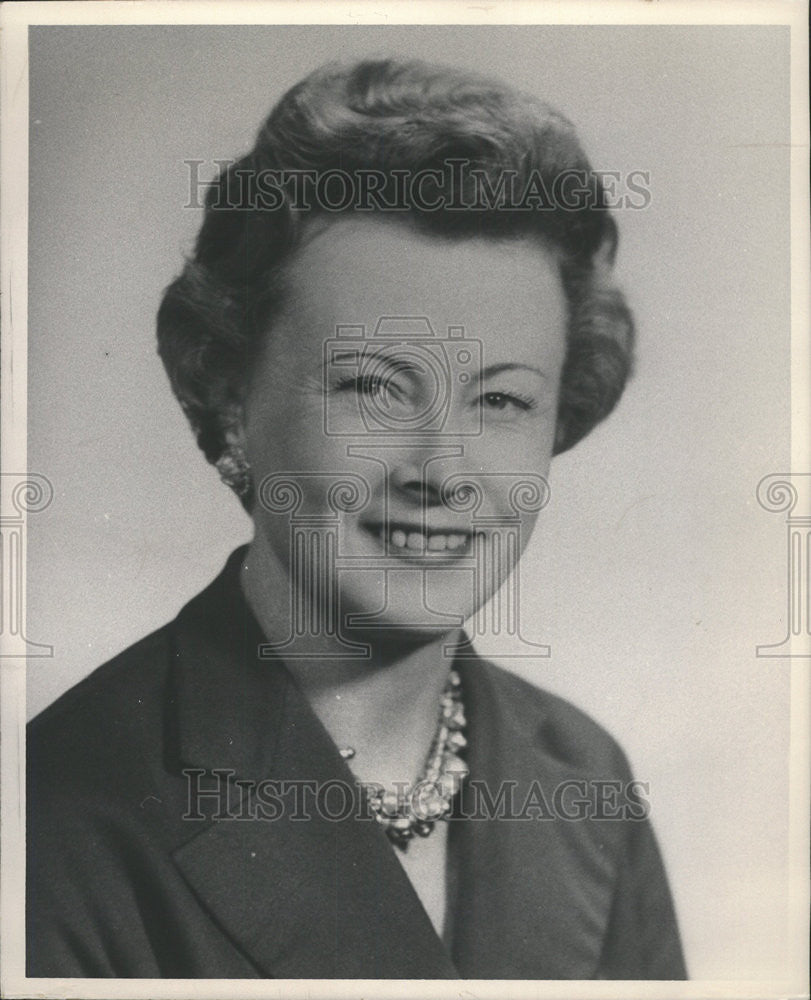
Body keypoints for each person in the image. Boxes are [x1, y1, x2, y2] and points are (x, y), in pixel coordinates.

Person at [26, 58, 686, 979]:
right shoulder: (52, 820)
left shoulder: (584, 779)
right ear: (227, 394)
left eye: (500, 402)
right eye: (374, 387)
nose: (442, 473)